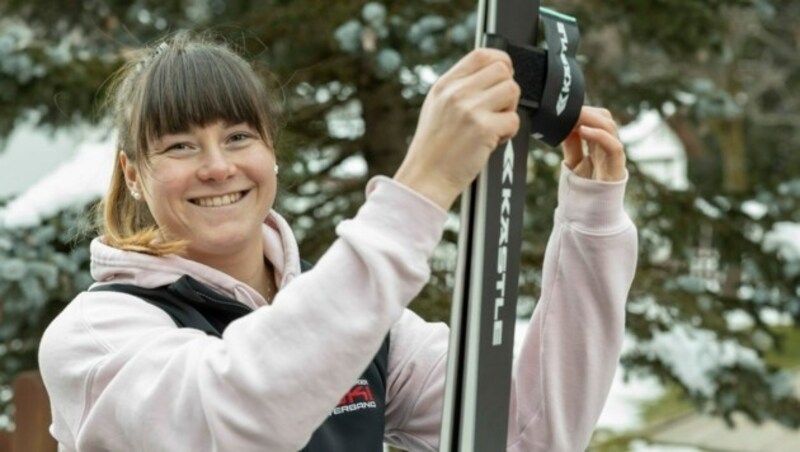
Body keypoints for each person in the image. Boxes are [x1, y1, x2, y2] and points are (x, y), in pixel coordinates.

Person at [38, 31, 637, 452]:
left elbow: (527, 433)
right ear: (134, 175)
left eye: (240, 136)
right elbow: (234, 418)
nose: (218, 166)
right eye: (179, 146)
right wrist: (422, 183)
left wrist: (592, 220)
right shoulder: (98, 336)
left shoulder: (362, 324)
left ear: (271, 152)